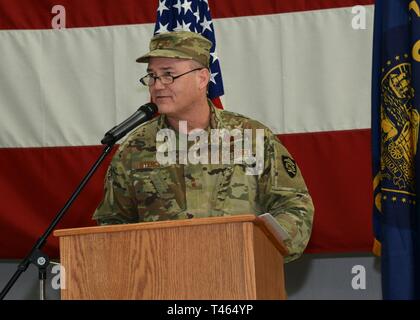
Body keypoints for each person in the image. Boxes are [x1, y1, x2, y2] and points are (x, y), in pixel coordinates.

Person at [93, 31, 314, 262]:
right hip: (163, 284)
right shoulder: (134, 149)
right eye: (152, 76)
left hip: (243, 280)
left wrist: (256, 250)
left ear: (202, 78)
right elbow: (112, 224)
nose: (157, 86)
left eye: (168, 75)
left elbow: (295, 207)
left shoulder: (251, 137)